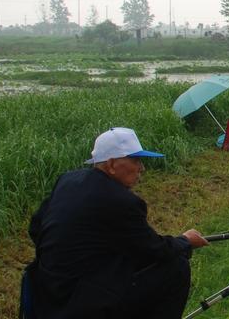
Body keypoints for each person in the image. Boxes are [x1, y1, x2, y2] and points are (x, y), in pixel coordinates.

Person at [24, 127, 209, 318]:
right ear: (112, 164)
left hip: (45, 292)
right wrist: (186, 241)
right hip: (80, 304)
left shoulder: (68, 181)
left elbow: (36, 228)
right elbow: (154, 250)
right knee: (176, 266)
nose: (141, 168)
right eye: (136, 160)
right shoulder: (121, 201)